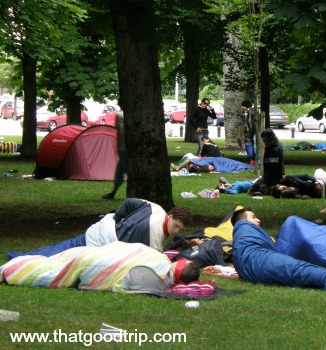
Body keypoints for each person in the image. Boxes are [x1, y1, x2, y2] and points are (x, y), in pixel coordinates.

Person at [231, 208, 326, 292]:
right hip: (259, 260)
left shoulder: (246, 236)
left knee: (297, 270)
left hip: (256, 262)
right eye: (254, 217)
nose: (258, 220)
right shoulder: (244, 230)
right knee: (298, 269)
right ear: (243, 221)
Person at [7, 198, 193, 260]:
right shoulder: (154, 234)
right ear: (170, 216)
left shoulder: (155, 207)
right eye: (176, 225)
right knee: (60, 255)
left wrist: (117, 220)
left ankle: (19, 256)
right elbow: (152, 259)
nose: (176, 230)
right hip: (101, 240)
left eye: (179, 229)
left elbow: (128, 203)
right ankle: (19, 259)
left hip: (105, 226)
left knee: (65, 247)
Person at [1, 241, 200, 294]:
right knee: (58, 261)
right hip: (99, 258)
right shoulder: (161, 284)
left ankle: (13, 268)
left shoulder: (159, 264)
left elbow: (132, 250)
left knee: (55, 267)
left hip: (93, 260)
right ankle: (18, 265)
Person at [248, 128, 285, 195]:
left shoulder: (274, 150)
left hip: (272, 177)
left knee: (251, 191)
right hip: (273, 176)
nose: (264, 141)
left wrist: (266, 182)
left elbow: (272, 168)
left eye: (265, 139)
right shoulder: (276, 146)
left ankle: (266, 191)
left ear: (269, 138)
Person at [102, 111, 126, 200]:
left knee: (120, 171)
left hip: (124, 148)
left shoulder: (120, 115)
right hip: (133, 147)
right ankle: (112, 193)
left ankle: (113, 193)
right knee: (120, 170)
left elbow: (121, 131)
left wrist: (119, 145)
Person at [241, 100, 258, 165]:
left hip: (256, 132)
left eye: (242, 106)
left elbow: (254, 126)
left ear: (245, 106)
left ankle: (258, 163)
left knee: (256, 147)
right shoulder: (250, 112)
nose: (241, 108)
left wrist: (250, 136)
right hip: (255, 132)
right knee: (254, 146)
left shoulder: (252, 112)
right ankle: (253, 161)